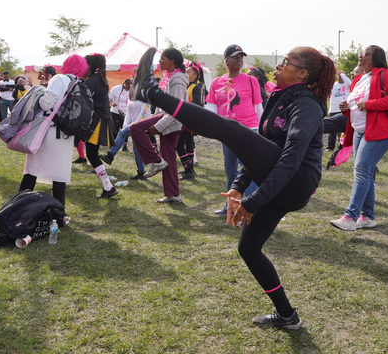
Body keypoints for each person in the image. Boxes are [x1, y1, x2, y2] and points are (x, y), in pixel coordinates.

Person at [130, 45, 336, 329]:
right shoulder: (281, 97)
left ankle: (151, 93)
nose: (278, 66)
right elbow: (265, 151)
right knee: (249, 249)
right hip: (280, 183)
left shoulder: (307, 105)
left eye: (285, 62)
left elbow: (289, 160)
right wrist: (240, 186)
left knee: (232, 129)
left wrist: (253, 201)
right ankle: (288, 315)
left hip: (296, 183)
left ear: (302, 73)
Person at [330, 45, 388, 231]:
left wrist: (370, 104)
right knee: (367, 173)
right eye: (360, 53)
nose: (360, 56)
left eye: (365, 54)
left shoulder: (386, 74)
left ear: (375, 58)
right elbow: (357, 105)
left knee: (362, 170)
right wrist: (346, 108)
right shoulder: (358, 79)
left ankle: (350, 216)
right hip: (359, 131)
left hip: (380, 131)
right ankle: (368, 216)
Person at [18, 55, 89, 205]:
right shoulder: (79, 83)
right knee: (59, 174)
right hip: (67, 132)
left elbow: (46, 104)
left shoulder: (59, 79)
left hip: (49, 131)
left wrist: (39, 92)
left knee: (32, 170)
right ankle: (59, 211)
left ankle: (18, 204)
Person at [206, 44, 263, 215]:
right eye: (235, 57)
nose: (239, 60)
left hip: (249, 130)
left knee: (250, 169)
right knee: (230, 169)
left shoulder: (251, 80)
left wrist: (261, 132)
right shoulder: (217, 82)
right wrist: (215, 129)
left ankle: (253, 207)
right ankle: (231, 206)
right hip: (227, 132)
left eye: (241, 57)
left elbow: (258, 107)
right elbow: (211, 108)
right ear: (226, 61)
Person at [129, 47, 189, 203]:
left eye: (163, 58)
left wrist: (159, 126)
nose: (160, 61)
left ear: (172, 61)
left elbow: (175, 108)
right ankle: (173, 194)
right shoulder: (168, 76)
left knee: (135, 128)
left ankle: (155, 161)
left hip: (171, 120)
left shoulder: (177, 79)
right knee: (168, 158)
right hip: (168, 119)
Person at [99, 84, 154, 180]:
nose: (130, 89)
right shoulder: (131, 99)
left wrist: (135, 125)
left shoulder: (145, 98)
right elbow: (128, 113)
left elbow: (144, 112)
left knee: (122, 133)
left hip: (143, 124)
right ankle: (141, 172)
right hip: (135, 125)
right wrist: (125, 126)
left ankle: (111, 155)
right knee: (136, 149)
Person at [83, 54, 119, 199]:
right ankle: (108, 186)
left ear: (90, 66)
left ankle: (108, 187)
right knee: (92, 153)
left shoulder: (92, 80)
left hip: (98, 122)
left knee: (91, 154)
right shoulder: (99, 79)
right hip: (102, 120)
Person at [177, 62, 206, 180]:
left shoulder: (196, 87)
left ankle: (187, 169)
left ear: (194, 76)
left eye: (188, 72)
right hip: (187, 118)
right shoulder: (187, 86)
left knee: (179, 143)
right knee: (188, 142)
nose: (185, 73)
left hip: (190, 119)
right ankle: (190, 168)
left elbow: (196, 104)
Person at [325, 71, 349, 151]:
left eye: (341, 76)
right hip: (333, 109)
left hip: (343, 109)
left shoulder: (347, 85)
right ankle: (330, 147)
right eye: (338, 76)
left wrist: (343, 74)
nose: (340, 77)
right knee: (331, 131)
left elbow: (350, 82)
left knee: (343, 131)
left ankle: (342, 146)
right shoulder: (333, 85)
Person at [109, 78, 131, 151]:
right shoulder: (116, 89)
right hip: (116, 112)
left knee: (125, 129)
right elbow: (109, 98)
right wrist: (112, 103)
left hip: (127, 113)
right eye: (128, 86)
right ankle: (112, 145)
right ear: (125, 84)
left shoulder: (133, 90)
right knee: (115, 129)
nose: (129, 88)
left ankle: (124, 146)